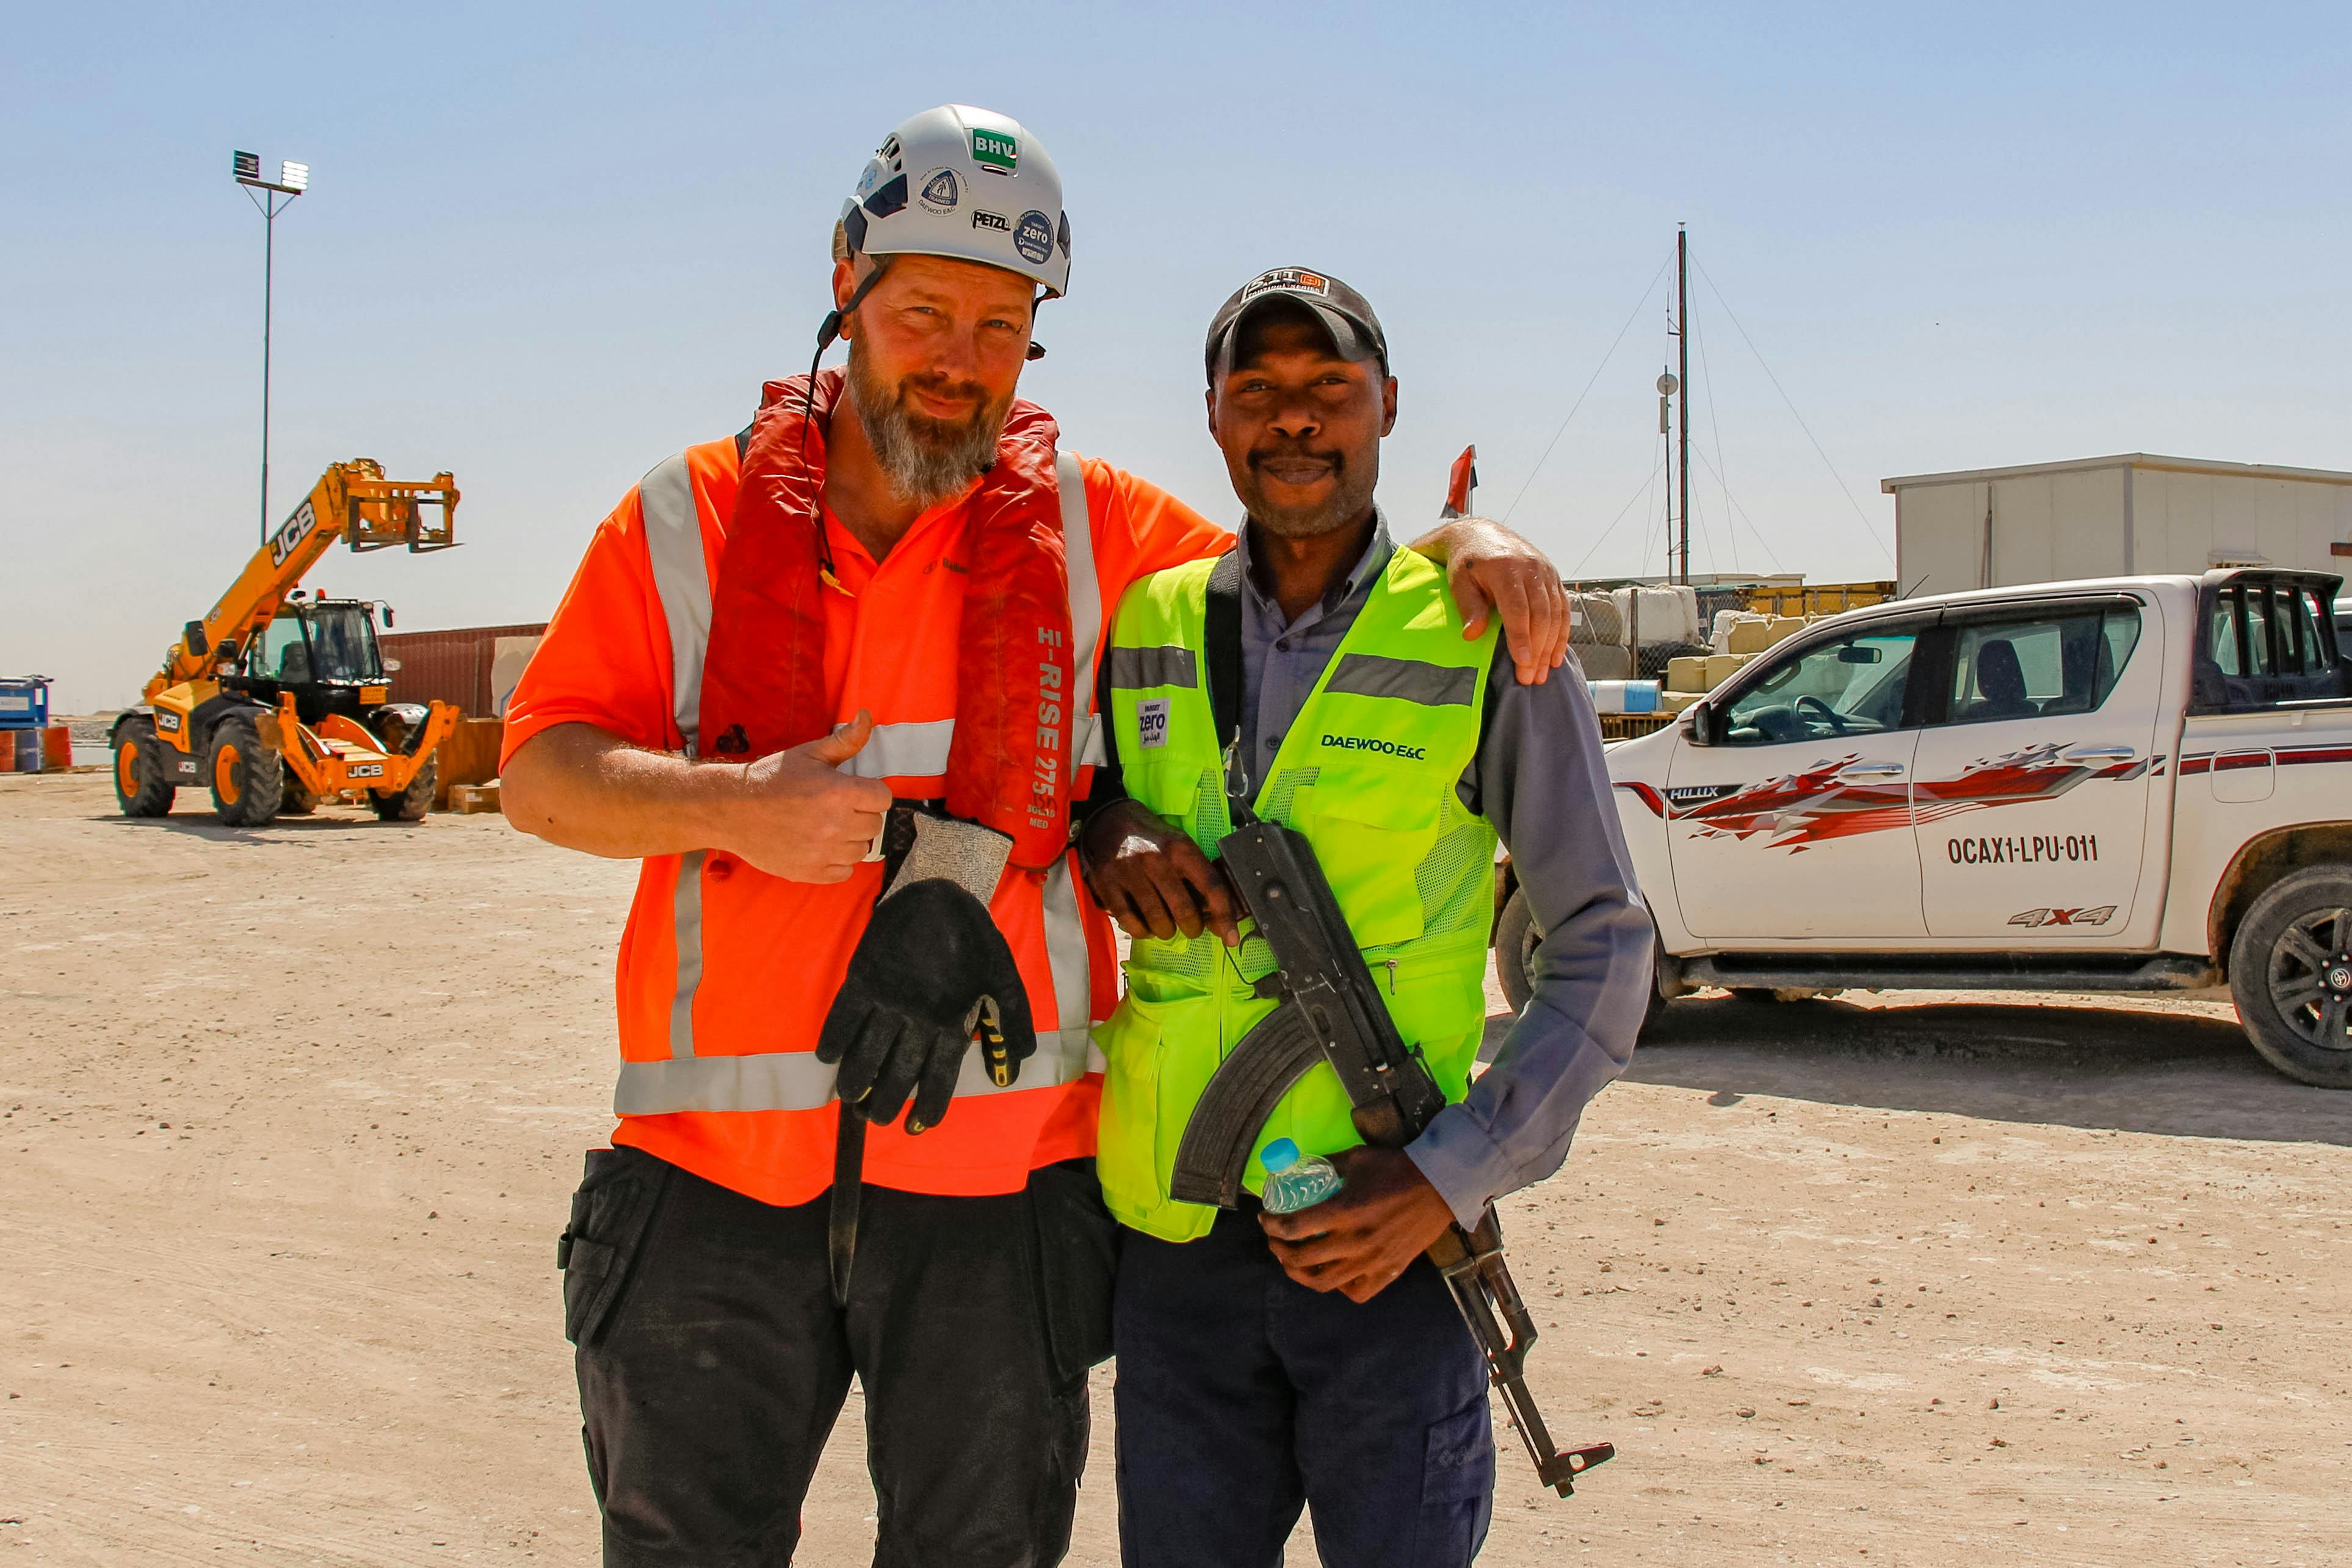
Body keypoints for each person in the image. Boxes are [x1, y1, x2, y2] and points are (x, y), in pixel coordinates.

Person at [499, 107, 1572, 1567]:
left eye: (1002, 325)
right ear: (844, 284)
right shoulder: (686, 518)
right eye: (924, 311)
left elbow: (1308, 547)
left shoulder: (1100, 527)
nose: (958, 358)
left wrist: (1469, 541)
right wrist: (734, 806)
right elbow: (542, 775)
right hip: (711, 1187)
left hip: (997, 1201)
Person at [1079, 267, 1654, 1568]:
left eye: (1329, 388)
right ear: (1216, 418)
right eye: (1261, 391)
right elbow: (1083, 796)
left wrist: (1447, 1175)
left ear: (1385, 405)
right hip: (1179, 1259)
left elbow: (1606, 947)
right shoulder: (1149, 619)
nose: (1296, 419)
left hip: (1384, 1241)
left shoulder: (1479, 631)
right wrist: (1105, 824)